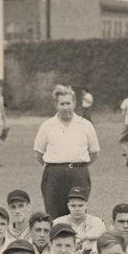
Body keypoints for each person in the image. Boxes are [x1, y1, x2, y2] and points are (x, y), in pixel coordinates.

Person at [33, 85, 100, 219]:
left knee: (77, 216)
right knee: (53, 216)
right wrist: (57, 167)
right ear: (56, 105)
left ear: (74, 103)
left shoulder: (85, 125)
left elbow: (94, 153)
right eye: (62, 104)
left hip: (78, 175)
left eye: (68, 103)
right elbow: (39, 154)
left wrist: (76, 166)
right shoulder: (47, 126)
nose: (65, 107)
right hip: (53, 176)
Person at [53, 186, 107, 254]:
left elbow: (102, 230)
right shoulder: (59, 221)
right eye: (73, 206)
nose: (77, 209)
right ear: (68, 206)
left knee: (95, 242)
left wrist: (84, 237)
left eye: (80, 205)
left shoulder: (95, 220)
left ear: (86, 206)